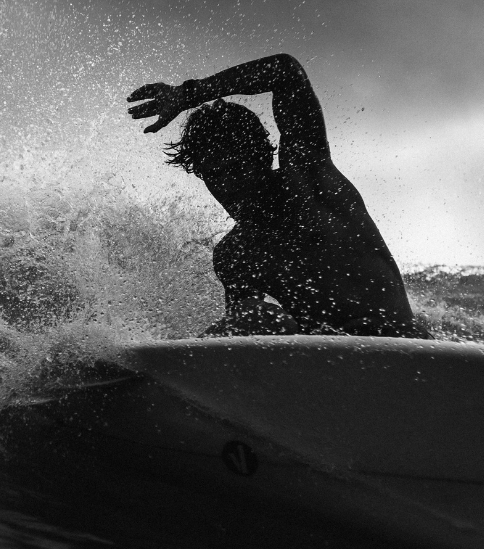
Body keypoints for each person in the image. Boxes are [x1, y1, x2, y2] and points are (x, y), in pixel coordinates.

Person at [127, 54, 429, 339]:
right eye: (213, 175)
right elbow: (244, 340)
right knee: (255, 317)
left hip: (407, 351)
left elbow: (285, 72)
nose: (227, 186)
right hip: (335, 372)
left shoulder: (310, 182)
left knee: (261, 319)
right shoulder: (236, 254)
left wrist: (189, 94)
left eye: (236, 168)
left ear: (262, 156)